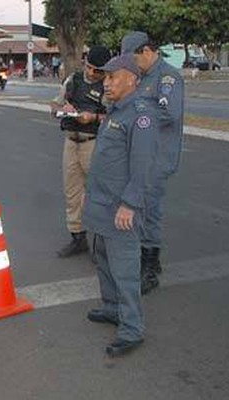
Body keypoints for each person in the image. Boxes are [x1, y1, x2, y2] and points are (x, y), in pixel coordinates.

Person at [83, 54, 158, 357]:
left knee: (125, 268)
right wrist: (90, 192)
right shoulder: (115, 110)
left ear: (130, 78)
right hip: (101, 203)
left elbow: (142, 167)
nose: (107, 82)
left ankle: (131, 328)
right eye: (106, 77)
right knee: (102, 258)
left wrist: (129, 204)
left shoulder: (140, 115)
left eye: (112, 77)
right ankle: (112, 308)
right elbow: (105, 160)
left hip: (120, 208)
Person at [121, 31, 185, 294]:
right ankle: (146, 257)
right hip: (141, 154)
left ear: (147, 51)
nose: (132, 65)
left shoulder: (168, 77)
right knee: (140, 206)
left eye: (134, 59)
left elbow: (169, 112)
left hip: (158, 155)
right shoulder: (142, 77)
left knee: (149, 210)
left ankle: (149, 265)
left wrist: (134, 113)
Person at [50, 45, 111, 258]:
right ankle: (78, 237)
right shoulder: (72, 80)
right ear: (85, 62)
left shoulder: (109, 85)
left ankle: (101, 244)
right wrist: (62, 110)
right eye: (90, 67)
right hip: (71, 142)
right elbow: (53, 107)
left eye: (98, 71)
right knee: (72, 193)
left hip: (93, 143)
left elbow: (116, 117)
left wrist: (93, 117)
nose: (92, 73)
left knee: (97, 193)